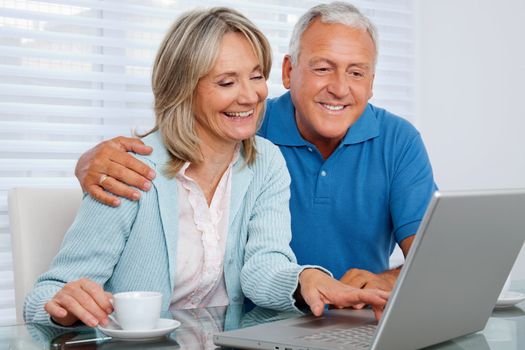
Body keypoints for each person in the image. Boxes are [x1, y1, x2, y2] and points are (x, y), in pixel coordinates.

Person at [25, 7, 389, 329]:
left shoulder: (265, 161)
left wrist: (304, 279)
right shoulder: (130, 168)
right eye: (226, 82)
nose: (249, 96)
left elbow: (263, 264)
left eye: (256, 76)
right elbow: (48, 293)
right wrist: (62, 305)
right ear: (183, 88)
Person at [74, 2, 436, 294]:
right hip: (252, 323)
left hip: (352, 317)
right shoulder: (246, 125)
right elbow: (178, 134)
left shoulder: (398, 141)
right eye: (323, 68)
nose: (340, 88)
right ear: (289, 71)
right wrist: (90, 161)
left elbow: (435, 258)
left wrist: (384, 282)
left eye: (357, 72)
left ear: (372, 82)